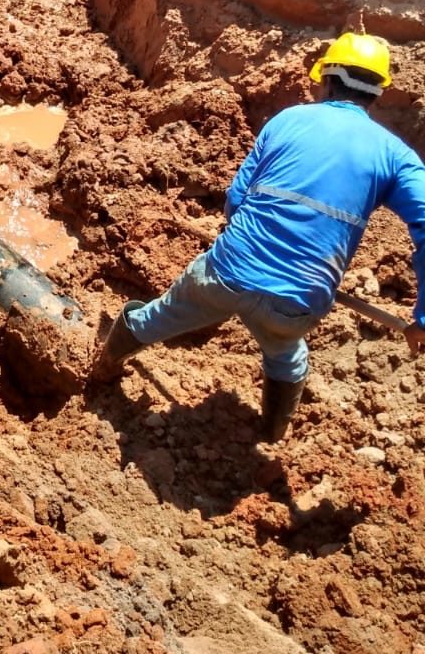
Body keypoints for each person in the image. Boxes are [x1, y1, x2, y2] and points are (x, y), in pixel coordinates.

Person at [87, 33, 425, 443]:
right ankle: (272, 430)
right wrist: (422, 319)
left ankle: (102, 368)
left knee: (155, 316)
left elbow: (235, 200)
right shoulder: (396, 156)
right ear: (378, 93)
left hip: (228, 271)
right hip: (297, 303)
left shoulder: (288, 120)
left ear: (327, 80)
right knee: (287, 356)